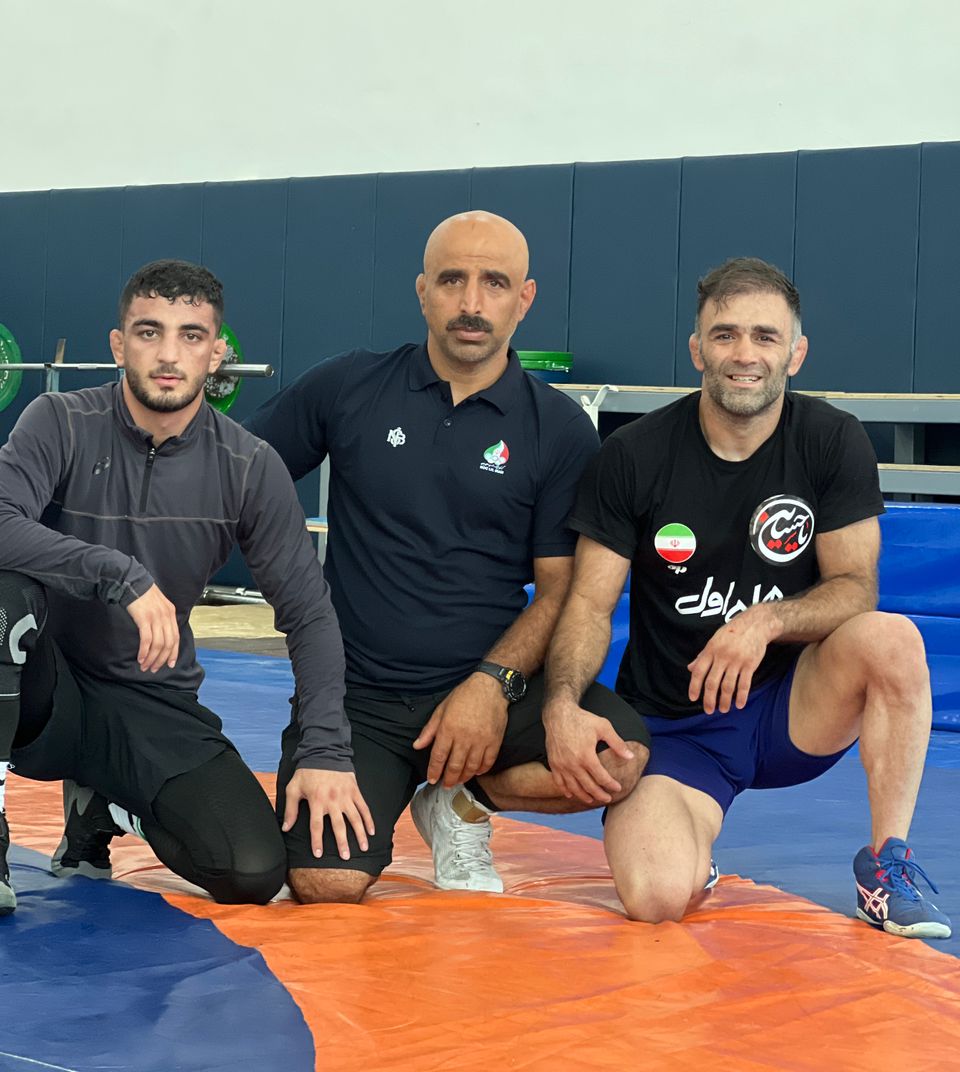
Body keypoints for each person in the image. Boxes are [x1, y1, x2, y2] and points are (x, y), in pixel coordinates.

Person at [245, 210, 650, 902]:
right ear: (422, 291)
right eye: (452, 280)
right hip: (359, 695)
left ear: (524, 299)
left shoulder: (558, 428)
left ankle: (461, 802)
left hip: (490, 684)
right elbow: (233, 476)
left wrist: (491, 686)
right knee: (325, 882)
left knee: (619, 758)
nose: (471, 302)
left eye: (495, 283)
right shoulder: (349, 387)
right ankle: (397, 785)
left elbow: (559, 591)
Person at [543, 256, 951, 939]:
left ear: (796, 353)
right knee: (656, 898)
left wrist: (764, 622)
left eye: (765, 336)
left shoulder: (831, 439)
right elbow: (587, 604)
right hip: (678, 725)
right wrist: (561, 705)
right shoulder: (635, 454)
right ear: (697, 349)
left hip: (791, 708)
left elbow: (856, 588)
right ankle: (687, 852)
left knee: (891, 638)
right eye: (725, 334)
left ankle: (887, 866)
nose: (744, 354)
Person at [0, 260, 370, 914]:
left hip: (149, 698)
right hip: (43, 690)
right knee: (4, 596)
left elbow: (309, 613)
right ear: (119, 345)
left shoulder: (248, 466)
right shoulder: (59, 420)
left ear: (216, 353)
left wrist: (325, 748)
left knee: (250, 870)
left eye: (191, 336)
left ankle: (104, 808)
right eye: (150, 332)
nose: (169, 355)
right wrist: (119, 575)